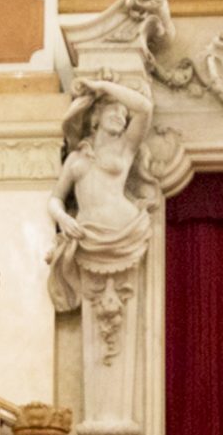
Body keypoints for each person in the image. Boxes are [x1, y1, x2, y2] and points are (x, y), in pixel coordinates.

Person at [47, 76, 157, 313]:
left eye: (123, 114)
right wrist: (64, 219)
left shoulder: (126, 148)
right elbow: (55, 198)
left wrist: (103, 87)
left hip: (125, 232)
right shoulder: (76, 158)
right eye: (113, 111)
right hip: (88, 236)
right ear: (96, 116)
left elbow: (144, 108)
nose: (120, 116)